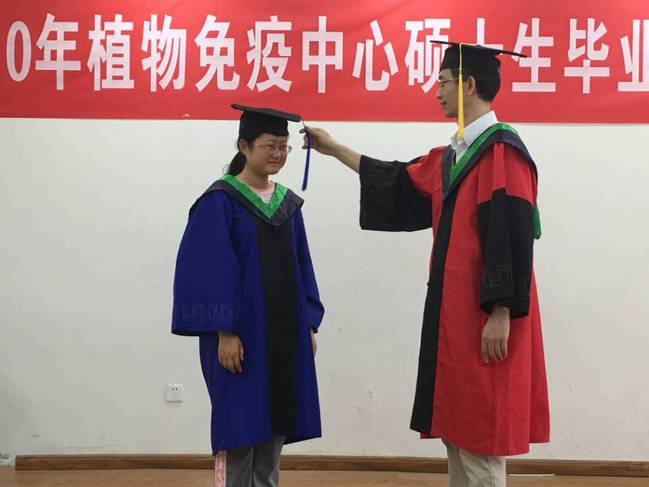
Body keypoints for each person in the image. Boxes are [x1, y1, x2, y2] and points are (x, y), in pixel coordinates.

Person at [302, 42, 549, 487]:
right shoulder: (453, 156)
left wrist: (501, 312)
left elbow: (512, 237)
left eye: (443, 82)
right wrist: (335, 149)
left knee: (480, 434)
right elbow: (398, 180)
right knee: (456, 429)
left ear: (468, 85)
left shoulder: (503, 152)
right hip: (452, 318)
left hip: (484, 317)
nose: (436, 91)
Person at [172, 104, 324, 487]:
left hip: (284, 337)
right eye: (269, 145)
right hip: (240, 339)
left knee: (275, 424)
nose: (277, 154)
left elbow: (301, 266)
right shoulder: (219, 202)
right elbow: (210, 270)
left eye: (283, 147)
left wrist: (308, 324)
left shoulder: (287, 205)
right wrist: (224, 332)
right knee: (239, 427)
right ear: (244, 146)